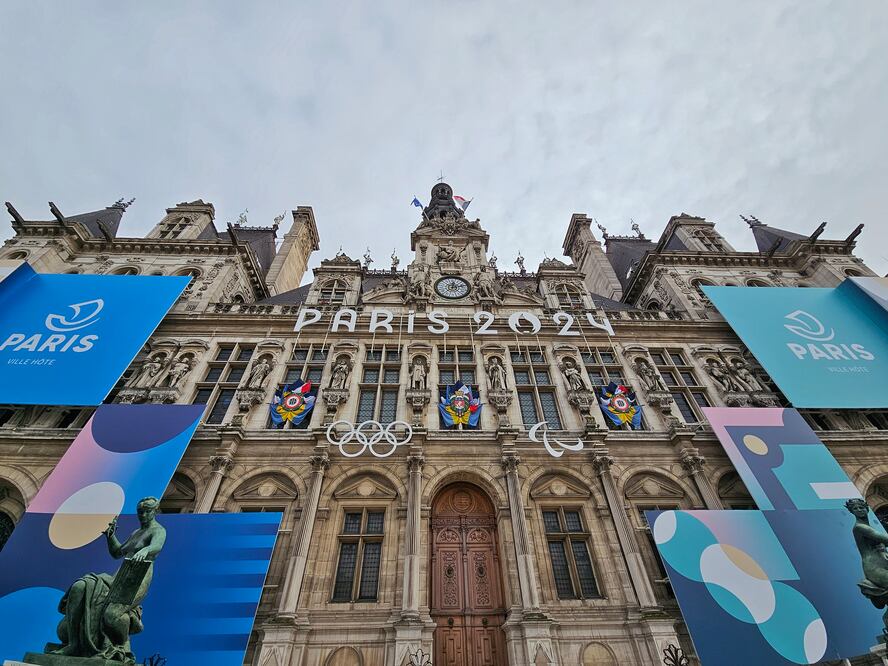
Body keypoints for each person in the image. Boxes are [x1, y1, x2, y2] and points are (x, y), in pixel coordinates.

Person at [53, 497, 166, 662]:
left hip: (138, 578)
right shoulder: (136, 532)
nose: (143, 515)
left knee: (111, 614)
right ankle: (74, 644)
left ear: (155, 511)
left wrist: (146, 550)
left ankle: (120, 646)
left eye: (147, 511)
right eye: (140, 512)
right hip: (119, 576)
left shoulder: (158, 530)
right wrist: (110, 536)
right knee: (80, 586)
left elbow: (157, 546)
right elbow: (117, 552)